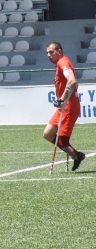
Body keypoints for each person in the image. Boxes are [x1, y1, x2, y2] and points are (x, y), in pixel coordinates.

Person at [45, 42, 86, 171]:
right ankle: (77, 155)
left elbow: (72, 81)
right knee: (48, 134)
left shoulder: (63, 62)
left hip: (69, 106)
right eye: (47, 53)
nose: (48, 55)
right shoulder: (61, 63)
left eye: (51, 52)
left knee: (62, 140)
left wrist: (62, 99)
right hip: (63, 107)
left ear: (59, 51)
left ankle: (77, 156)